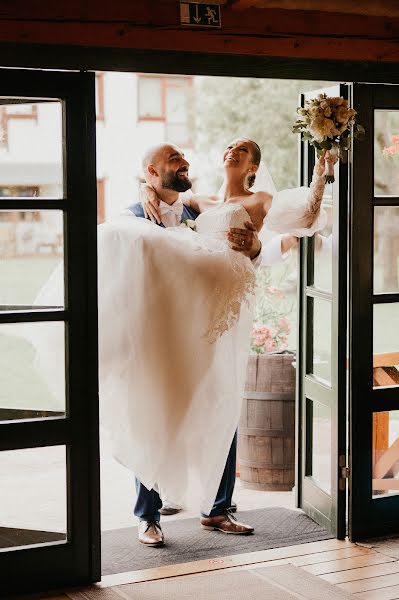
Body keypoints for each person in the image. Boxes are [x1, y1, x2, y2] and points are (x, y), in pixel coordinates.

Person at [101, 139, 330, 546]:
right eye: (174, 160)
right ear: (152, 174)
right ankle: (148, 516)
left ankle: (218, 509)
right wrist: (142, 190)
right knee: (154, 412)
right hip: (161, 333)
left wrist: (258, 244)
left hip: (213, 325)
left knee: (221, 405)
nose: (185, 162)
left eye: (183, 157)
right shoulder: (137, 213)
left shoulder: (197, 207)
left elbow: (266, 244)